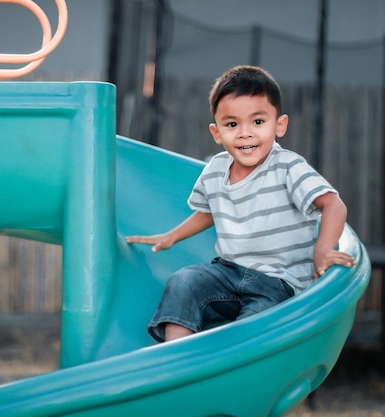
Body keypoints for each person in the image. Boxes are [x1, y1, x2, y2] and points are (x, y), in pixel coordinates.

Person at [126, 65, 356, 343]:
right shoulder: (215, 168)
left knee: (256, 323)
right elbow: (208, 211)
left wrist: (323, 251)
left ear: (279, 125)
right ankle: (177, 356)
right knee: (183, 281)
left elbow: (333, 204)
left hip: (279, 282)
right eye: (232, 124)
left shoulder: (287, 166)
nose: (245, 133)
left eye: (258, 122)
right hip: (228, 271)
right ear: (217, 132)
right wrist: (172, 236)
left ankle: (238, 359)